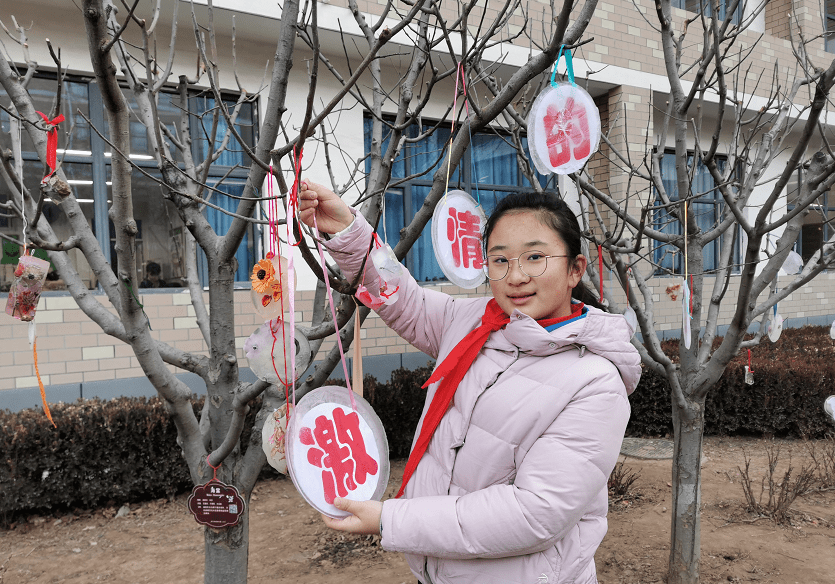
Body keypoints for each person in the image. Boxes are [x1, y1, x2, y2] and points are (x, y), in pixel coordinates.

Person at [298, 181, 641, 584]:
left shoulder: (596, 382)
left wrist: (392, 520)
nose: (515, 276)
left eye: (535, 257)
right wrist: (346, 230)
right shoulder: (476, 322)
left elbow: (533, 514)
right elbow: (401, 296)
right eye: (499, 260)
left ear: (574, 270)